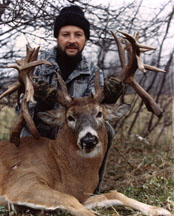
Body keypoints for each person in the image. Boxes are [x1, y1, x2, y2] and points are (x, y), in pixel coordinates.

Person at [18, 5, 123, 193]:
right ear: (57, 37)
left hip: (76, 131)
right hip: (44, 129)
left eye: (78, 34)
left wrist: (111, 99)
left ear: (85, 39)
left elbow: (96, 112)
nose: (72, 40)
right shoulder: (37, 68)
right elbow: (21, 111)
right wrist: (41, 104)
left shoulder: (93, 71)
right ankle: (25, 186)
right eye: (66, 34)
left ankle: (92, 189)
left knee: (106, 129)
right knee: (27, 133)